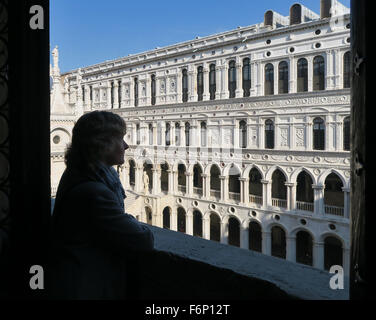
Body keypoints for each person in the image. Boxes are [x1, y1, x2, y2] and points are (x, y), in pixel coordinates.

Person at [46, 110, 154, 300]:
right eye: (120, 139)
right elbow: (142, 240)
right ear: (102, 145)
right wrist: (131, 221)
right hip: (84, 286)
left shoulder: (76, 173)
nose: (126, 145)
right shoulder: (95, 193)